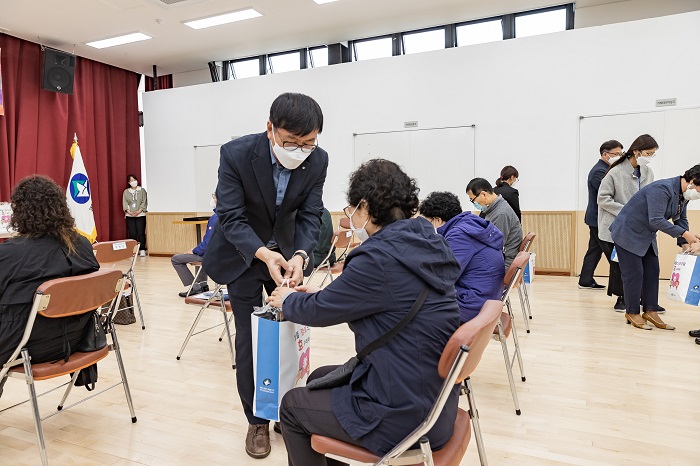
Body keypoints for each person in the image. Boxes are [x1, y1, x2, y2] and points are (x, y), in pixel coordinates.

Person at [267, 159, 461, 466]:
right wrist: (322, 294)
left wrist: (286, 299)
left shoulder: (378, 257)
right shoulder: (425, 240)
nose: (352, 217)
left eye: (352, 209)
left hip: (405, 415)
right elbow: (383, 296)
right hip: (437, 398)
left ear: (366, 208)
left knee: (291, 406)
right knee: (319, 377)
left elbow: (319, 313)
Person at [202, 92, 328, 459]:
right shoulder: (236, 153)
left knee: (289, 333)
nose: (300, 151)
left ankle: (285, 411)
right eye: (291, 142)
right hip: (243, 255)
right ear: (270, 128)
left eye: (309, 143)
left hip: (287, 258)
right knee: (250, 340)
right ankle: (257, 419)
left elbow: (310, 214)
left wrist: (302, 254)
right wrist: (263, 252)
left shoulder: (317, 160)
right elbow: (231, 217)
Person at [0, 176, 100, 397]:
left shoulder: (12, 254)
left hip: (23, 347)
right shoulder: (82, 245)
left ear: (20, 212)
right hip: (76, 339)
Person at [610, 165, 700, 331]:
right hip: (628, 232)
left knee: (652, 271)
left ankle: (650, 310)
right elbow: (656, 220)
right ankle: (632, 312)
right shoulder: (662, 189)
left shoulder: (683, 195)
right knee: (634, 274)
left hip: (646, 235)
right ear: (693, 182)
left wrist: (684, 242)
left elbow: (680, 219)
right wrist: (685, 234)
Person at [420, 191, 505, 322]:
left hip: (473, 304)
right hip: (486, 296)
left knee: (413, 307)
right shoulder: (470, 223)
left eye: (428, 222)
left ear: (437, 219)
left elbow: (444, 277)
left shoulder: (459, 234)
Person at [598, 134, 658, 312]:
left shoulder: (647, 172)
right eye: (648, 153)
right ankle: (622, 298)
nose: (650, 157)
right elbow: (603, 199)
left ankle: (644, 301)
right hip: (618, 226)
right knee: (621, 266)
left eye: (653, 154)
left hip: (639, 227)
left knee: (643, 267)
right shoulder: (615, 172)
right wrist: (627, 211)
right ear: (636, 151)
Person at [578, 140, 624, 290]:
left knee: (594, 250)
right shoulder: (600, 171)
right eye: (616, 154)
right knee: (612, 255)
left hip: (596, 218)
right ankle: (619, 289)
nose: (620, 156)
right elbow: (606, 196)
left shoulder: (607, 169)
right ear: (605, 154)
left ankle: (585, 280)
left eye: (621, 153)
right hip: (599, 220)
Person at [466, 178, 522, 270]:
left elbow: (494, 246)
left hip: (504, 264)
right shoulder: (495, 209)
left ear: (483, 194)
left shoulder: (500, 213)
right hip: (502, 258)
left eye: (473, 200)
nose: (474, 203)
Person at [171, 194, 218, 297]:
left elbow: (206, 245)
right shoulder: (228, 215)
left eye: (213, 197)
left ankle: (195, 287)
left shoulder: (215, 218)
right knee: (199, 253)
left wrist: (193, 251)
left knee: (176, 259)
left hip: (212, 255)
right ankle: (203, 285)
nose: (212, 199)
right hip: (220, 253)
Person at [123, 174, 148, 257]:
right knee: (132, 233)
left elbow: (144, 202)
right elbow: (125, 203)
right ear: (128, 182)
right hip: (130, 215)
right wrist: (129, 212)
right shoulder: (126, 192)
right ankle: (133, 250)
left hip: (140, 214)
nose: (134, 182)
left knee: (141, 233)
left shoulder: (142, 190)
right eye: (131, 180)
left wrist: (138, 211)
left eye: (134, 179)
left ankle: (142, 249)